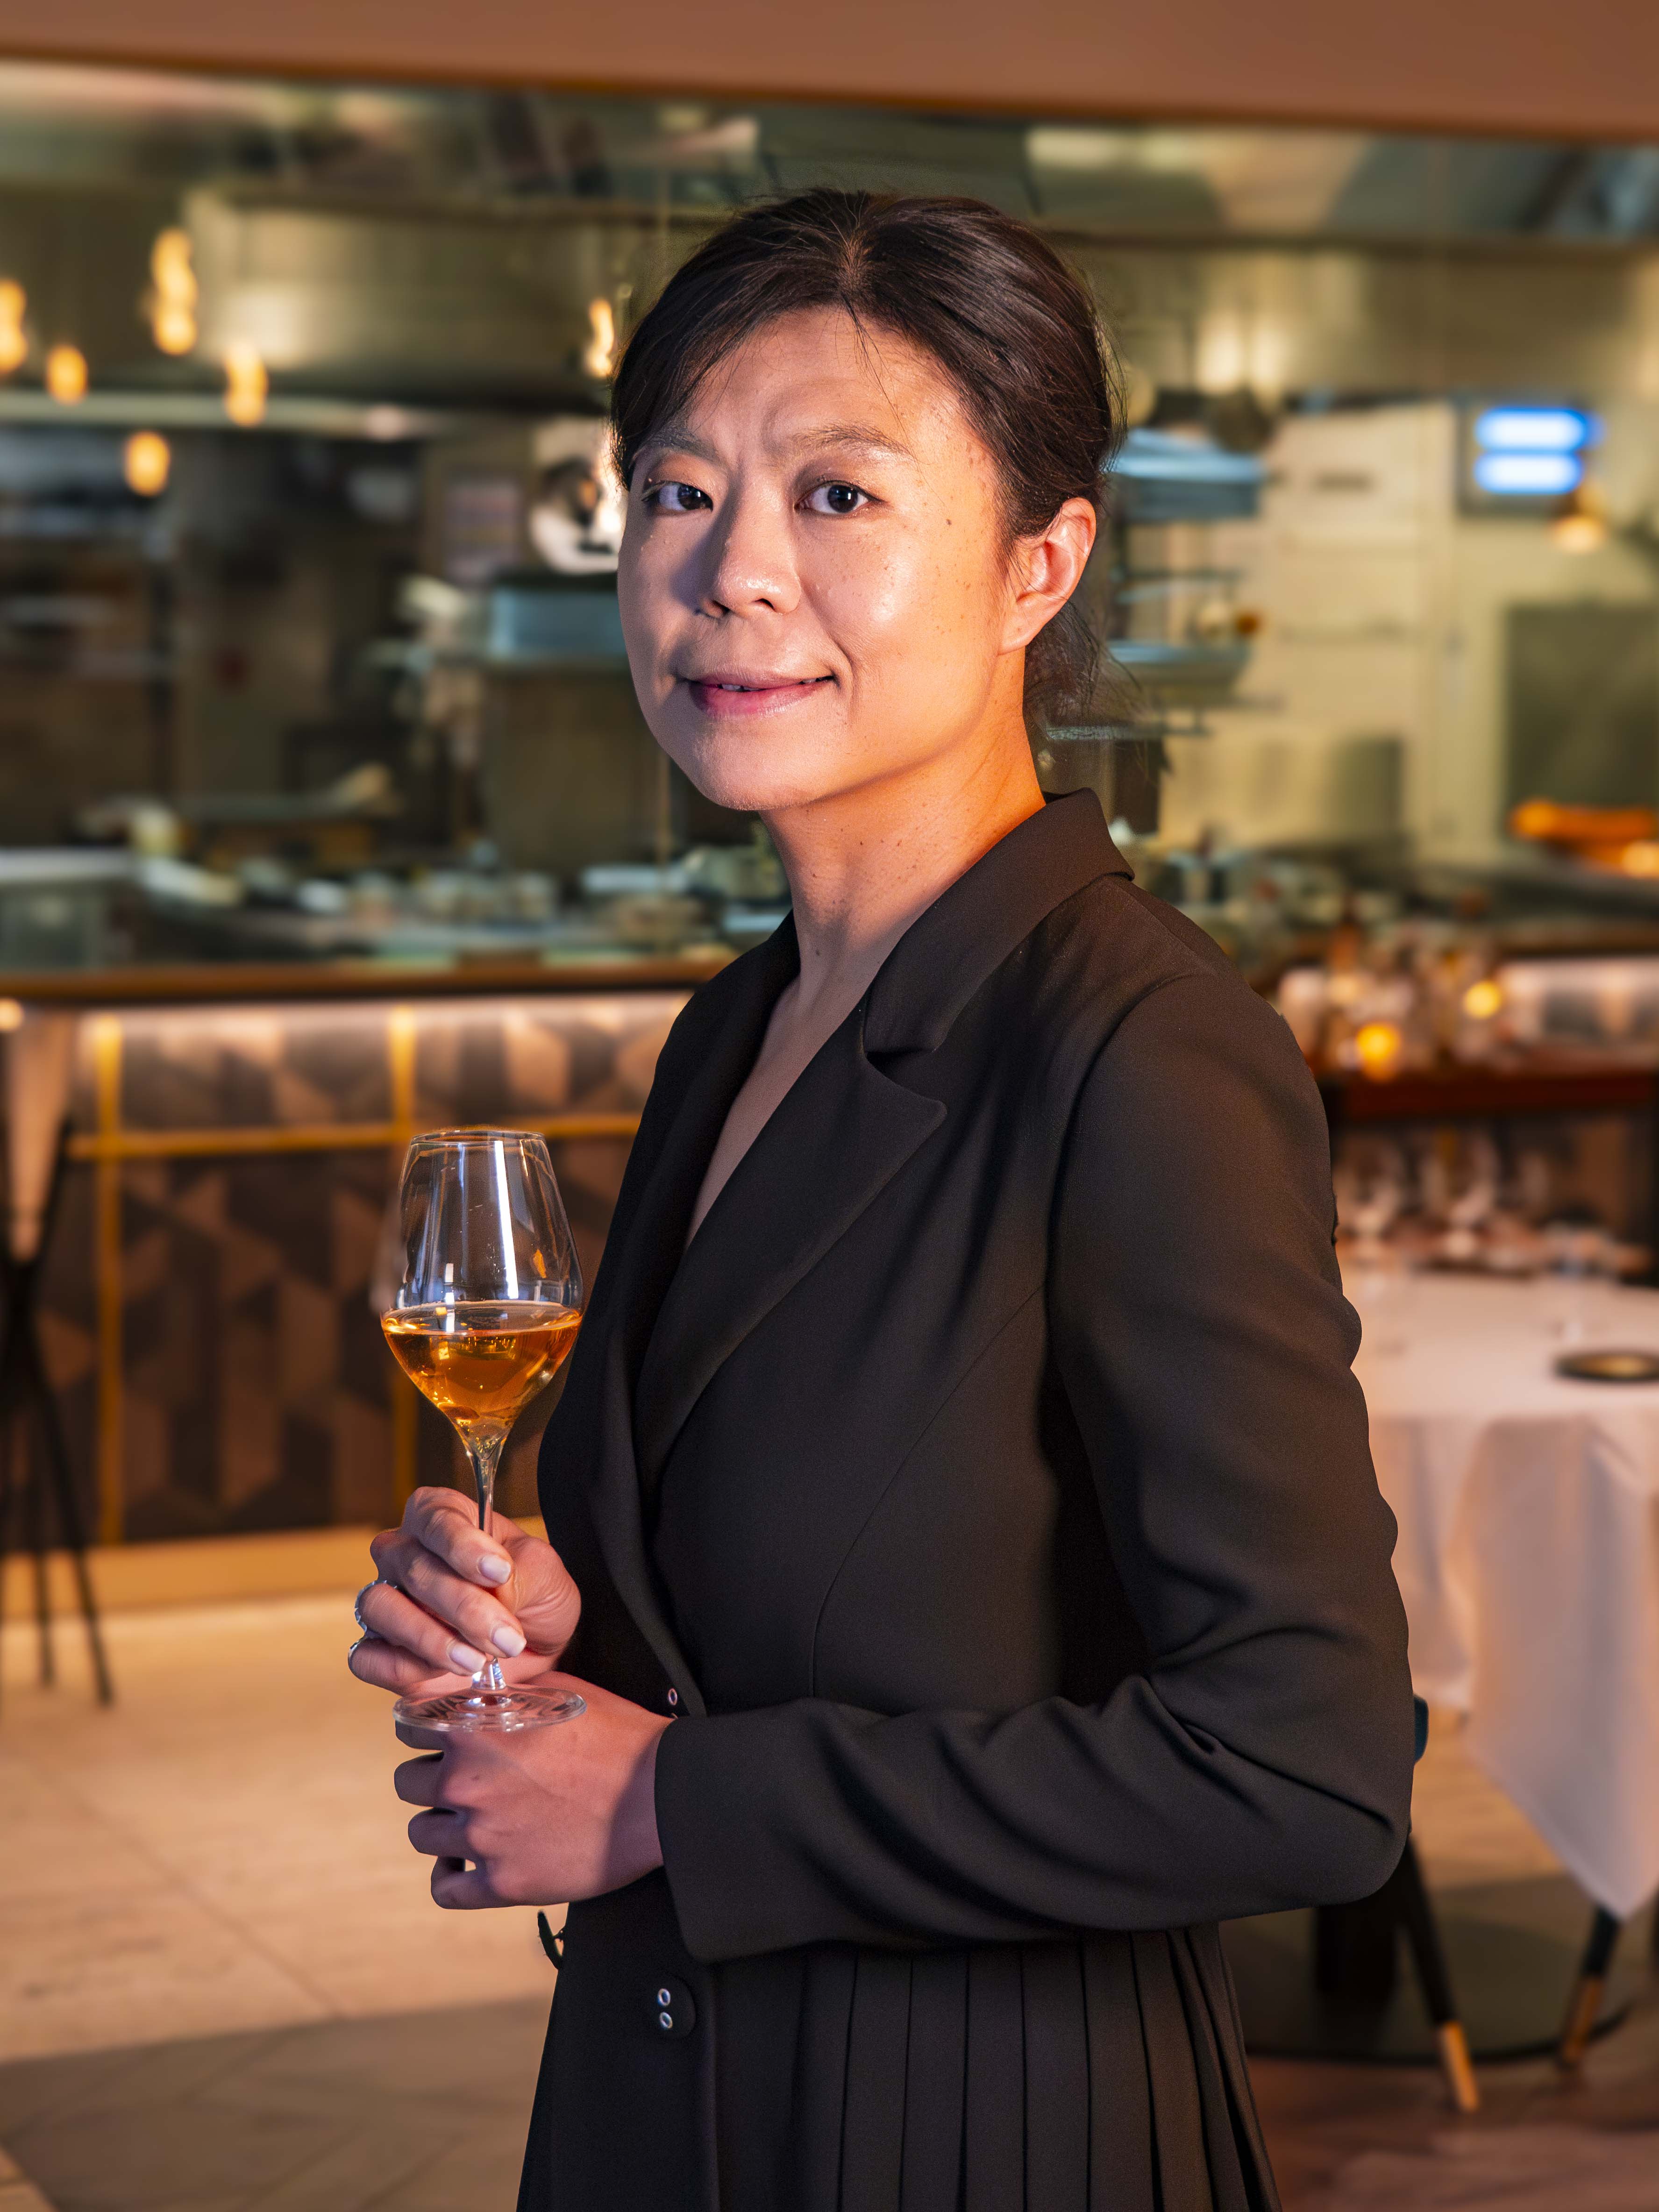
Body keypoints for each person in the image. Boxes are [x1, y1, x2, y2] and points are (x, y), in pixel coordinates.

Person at [350, 190, 1414, 2212]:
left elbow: (1307, 1767)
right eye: (677, 490)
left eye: (838, 491)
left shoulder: (1140, 1053)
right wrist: (575, 1629)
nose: (733, 571)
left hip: (982, 2129)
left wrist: (669, 1792)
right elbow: (821, 1586)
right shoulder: (736, 1028)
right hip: (670, 2110)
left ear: (1041, 562)